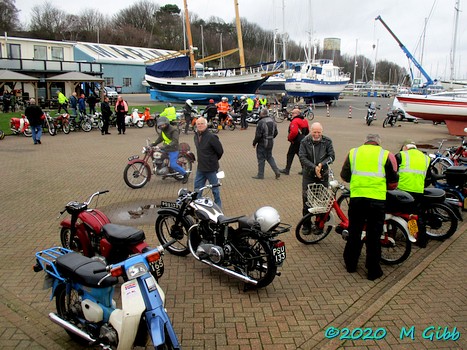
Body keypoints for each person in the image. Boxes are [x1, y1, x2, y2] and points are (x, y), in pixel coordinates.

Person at [340, 134, 399, 281]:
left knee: (354, 231)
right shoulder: (385, 154)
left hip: (357, 199)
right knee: (373, 236)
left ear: (365, 142)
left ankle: (351, 265)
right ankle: (373, 271)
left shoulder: (353, 152)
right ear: (378, 143)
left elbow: (345, 176)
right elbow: (392, 181)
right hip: (376, 201)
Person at [298, 122, 335, 232]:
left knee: (321, 201)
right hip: (308, 175)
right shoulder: (305, 141)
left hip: (323, 175)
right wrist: (314, 167)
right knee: (306, 200)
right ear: (311, 131)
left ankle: (319, 224)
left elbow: (332, 156)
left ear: (322, 132)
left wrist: (321, 165)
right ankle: (306, 225)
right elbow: (302, 157)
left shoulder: (327, 141)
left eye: (319, 132)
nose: (317, 134)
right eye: (314, 132)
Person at [395, 140, 431, 248]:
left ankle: (410, 235)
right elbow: (428, 177)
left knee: (401, 213)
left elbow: (392, 173)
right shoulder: (426, 158)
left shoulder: (400, 155)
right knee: (416, 215)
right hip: (418, 191)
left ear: (405, 147)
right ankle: (421, 240)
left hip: (402, 191)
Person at [194, 116, 224, 207]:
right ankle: (197, 205)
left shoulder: (212, 137)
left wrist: (213, 160)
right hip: (201, 168)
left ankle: (218, 206)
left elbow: (220, 151)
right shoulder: (196, 136)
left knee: (215, 189)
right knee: (197, 188)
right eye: (198, 124)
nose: (200, 125)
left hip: (211, 168)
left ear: (206, 125)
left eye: (202, 123)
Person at [153, 116, 188, 183]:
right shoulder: (163, 131)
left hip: (173, 149)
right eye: (160, 125)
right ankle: (164, 171)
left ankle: (185, 174)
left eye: (163, 124)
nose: (162, 126)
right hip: (166, 149)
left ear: (167, 123)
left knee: (173, 165)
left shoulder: (173, 130)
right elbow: (159, 139)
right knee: (158, 157)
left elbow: (175, 141)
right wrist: (152, 145)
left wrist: (164, 147)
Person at [252, 108, 281, 180]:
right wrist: (271, 137)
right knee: (269, 157)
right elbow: (276, 132)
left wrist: (254, 142)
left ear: (261, 114)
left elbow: (258, 135)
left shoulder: (261, 122)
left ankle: (260, 175)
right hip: (270, 142)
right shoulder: (273, 121)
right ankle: (276, 171)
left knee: (261, 159)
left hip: (262, 143)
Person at [279, 108, 310, 175]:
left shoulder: (295, 121)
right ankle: (304, 169)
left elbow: (294, 132)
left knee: (290, 154)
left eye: (293, 113)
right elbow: (307, 131)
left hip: (295, 141)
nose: (291, 114)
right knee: (300, 155)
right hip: (302, 140)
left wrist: (290, 138)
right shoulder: (304, 120)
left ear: (297, 114)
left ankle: (287, 170)